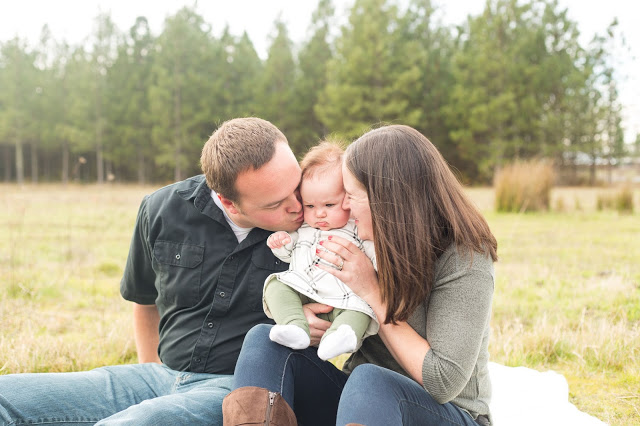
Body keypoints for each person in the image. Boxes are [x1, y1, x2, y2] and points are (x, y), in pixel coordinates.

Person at [0, 117, 330, 425]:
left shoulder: (321, 224)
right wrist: (152, 378)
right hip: (157, 377)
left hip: (235, 389)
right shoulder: (161, 209)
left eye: (295, 187)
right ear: (229, 202)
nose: (298, 206)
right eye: (275, 204)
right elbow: (144, 300)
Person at [223, 124, 498, 426]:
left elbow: (443, 381)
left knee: (371, 380)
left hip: (445, 413)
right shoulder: (360, 243)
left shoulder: (465, 257)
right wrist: (307, 320)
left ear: (387, 200)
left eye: (351, 196)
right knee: (264, 341)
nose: (345, 207)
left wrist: (371, 292)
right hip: (363, 408)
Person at [264, 141, 378, 361]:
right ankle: (294, 326)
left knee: (361, 309)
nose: (319, 214)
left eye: (329, 205)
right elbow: (289, 254)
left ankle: (342, 335)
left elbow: (374, 254)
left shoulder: (356, 228)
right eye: (310, 206)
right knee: (275, 285)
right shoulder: (304, 228)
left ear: (348, 198)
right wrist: (281, 243)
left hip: (345, 297)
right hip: (305, 289)